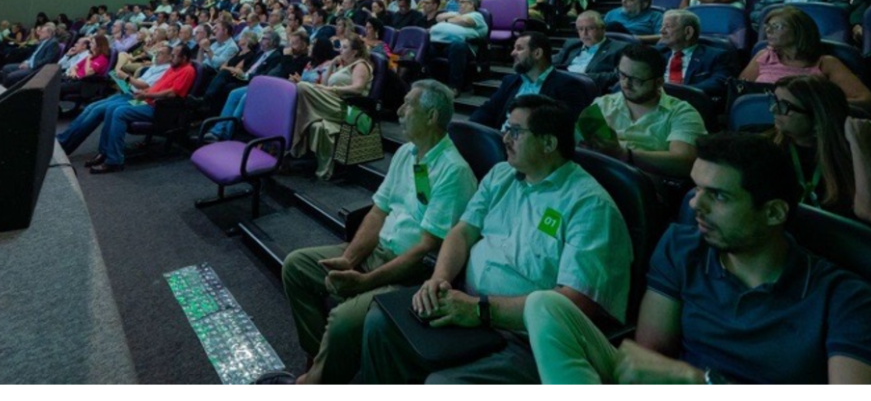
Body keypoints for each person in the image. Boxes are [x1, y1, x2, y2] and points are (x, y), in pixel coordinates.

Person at [522, 132, 871, 386]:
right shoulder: (683, 247)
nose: (695, 204)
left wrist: (699, 379)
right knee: (545, 306)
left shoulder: (847, 299)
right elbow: (649, 358)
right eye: (696, 188)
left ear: (773, 213)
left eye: (719, 196)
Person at [361, 95, 632, 386]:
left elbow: (572, 304)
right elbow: (462, 232)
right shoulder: (502, 174)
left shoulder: (589, 206)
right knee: (380, 326)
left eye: (516, 131)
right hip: (467, 305)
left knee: (443, 384)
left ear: (549, 143)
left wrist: (480, 309)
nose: (505, 138)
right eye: (506, 127)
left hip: (527, 339)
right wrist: (439, 279)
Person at [263, 81, 478, 386]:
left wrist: (364, 282)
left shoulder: (453, 171)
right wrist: (350, 259)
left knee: (342, 321)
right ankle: (322, 364)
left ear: (431, 116)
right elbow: (379, 210)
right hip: (376, 253)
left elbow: (425, 249)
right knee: (296, 266)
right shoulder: (407, 152)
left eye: (408, 105)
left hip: (410, 274)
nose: (400, 111)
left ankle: (312, 382)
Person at [583, 45, 707, 181]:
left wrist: (624, 153)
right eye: (622, 75)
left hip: (646, 188)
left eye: (637, 80)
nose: (626, 83)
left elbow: (685, 162)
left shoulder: (682, 113)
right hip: (595, 177)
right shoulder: (602, 104)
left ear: (659, 82)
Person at [770, 76, 871, 224]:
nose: (773, 109)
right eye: (774, 101)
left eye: (784, 106)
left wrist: (859, 145)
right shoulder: (767, 145)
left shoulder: (857, 151)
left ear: (817, 118)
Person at [86, 43, 197, 174]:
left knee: (119, 112)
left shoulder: (188, 71)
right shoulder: (173, 68)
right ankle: (104, 152)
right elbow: (158, 86)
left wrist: (147, 94)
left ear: (183, 58)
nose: (171, 58)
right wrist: (144, 93)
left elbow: (172, 93)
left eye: (173, 56)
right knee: (111, 108)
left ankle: (114, 161)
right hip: (146, 101)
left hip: (160, 108)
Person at [741, 7, 871, 114]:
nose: (768, 31)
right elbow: (741, 92)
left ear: (800, 31)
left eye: (777, 27)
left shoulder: (826, 63)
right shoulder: (763, 56)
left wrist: (816, 105)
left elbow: (867, 101)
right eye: (767, 27)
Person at [56, 45, 174, 156]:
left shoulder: (166, 69)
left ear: (170, 57)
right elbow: (138, 82)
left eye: (161, 53)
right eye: (157, 52)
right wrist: (123, 83)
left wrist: (126, 77)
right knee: (91, 107)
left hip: (139, 99)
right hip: (129, 92)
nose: (157, 55)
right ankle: (63, 139)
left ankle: (67, 145)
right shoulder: (155, 66)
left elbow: (143, 86)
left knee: (98, 110)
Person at [291, 37, 374, 180]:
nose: (340, 50)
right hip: (333, 102)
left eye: (344, 47)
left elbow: (358, 88)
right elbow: (325, 84)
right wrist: (331, 66)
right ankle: (323, 171)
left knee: (302, 87)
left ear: (354, 52)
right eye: (340, 47)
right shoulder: (342, 66)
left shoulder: (361, 65)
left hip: (350, 109)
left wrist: (334, 89)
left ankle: (293, 146)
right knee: (319, 126)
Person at [471, 33, 593, 127]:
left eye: (519, 48)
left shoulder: (568, 86)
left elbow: (564, 128)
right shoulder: (510, 81)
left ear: (537, 53)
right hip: (502, 141)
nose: (513, 53)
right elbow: (487, 110)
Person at [657, 10, 739, 97]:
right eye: (662, 26)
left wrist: (678, 93)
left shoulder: (717, 56)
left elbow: (718, 83)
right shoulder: (657, 53)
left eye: (668, 27)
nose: (661, 31)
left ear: (688, 32)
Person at [552, 12, 629, 93]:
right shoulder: (572, 44)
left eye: (590, 28)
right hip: (561, 83)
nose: (584, 33)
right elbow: (554, 61)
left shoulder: (620, 48)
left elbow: (619, 75)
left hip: (589, 89)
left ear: (603, 29)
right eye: (580, 29)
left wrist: (584, 77)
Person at [429, 0, 488, 95]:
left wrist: (447, 20)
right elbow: (438, 17)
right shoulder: (456, 14)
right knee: (427, 47)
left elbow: (466, 21)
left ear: (472, 4)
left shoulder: (477, 15)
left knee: (457, 46)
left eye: (463, 2)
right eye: (459, 2)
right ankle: (427, 83)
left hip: (466, 47)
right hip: (443, 44)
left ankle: (455, 87)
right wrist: (455, 18)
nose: (459, 4)